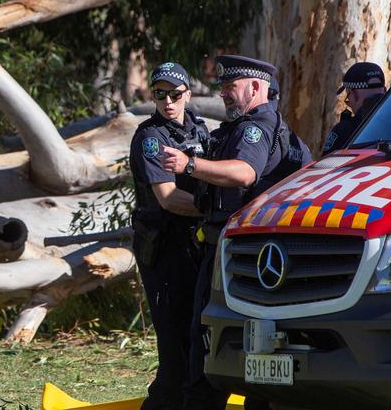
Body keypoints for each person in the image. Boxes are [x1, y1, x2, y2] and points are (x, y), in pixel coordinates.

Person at [161, 54, 310, 410]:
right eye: (223, 87)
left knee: (210, 349)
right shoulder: (250, 126)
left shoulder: (255, 127)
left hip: (240, 259)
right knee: (251, 354)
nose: (225, 94)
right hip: (256, 259)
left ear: (256, 87)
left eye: (231, 87)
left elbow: (244, 172)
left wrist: (191, 165)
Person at [127, 62, 210, 410]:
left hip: (195, 246)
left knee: (198, 340)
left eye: (175, 94)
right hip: (163, 249)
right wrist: (217, 212)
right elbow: (169, 198)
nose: (168, 102)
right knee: (174, 348)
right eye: (160, 95)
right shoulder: (150, 138)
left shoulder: (200, 130)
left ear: (188, 95)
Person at [322, 61, 388, 155]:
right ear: (384, 90)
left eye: (348, 96)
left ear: (353, 94)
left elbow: (326, 165)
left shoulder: (344, 131)